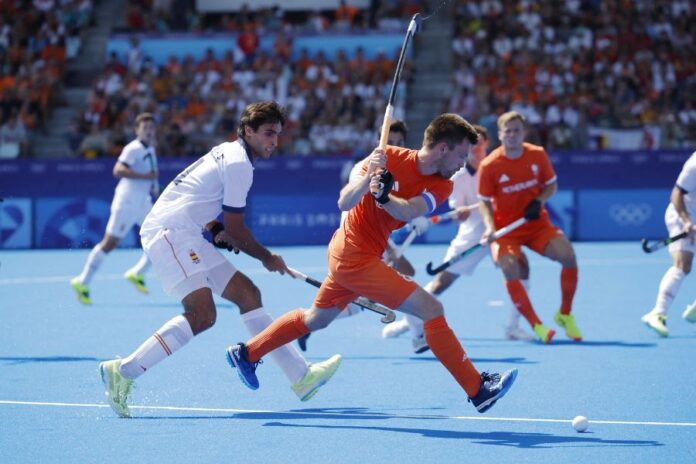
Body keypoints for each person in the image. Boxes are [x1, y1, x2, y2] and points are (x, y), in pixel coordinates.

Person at [227, 113, 518, 414]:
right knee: (432, 309)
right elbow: (344, 202)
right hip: (354, 255)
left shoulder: (444, 185)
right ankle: (477, 389)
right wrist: (368, 180)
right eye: (461, 155)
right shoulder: (387, 156)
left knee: (316, 319)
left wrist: (385, 197)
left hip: (358, 257)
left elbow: (409, 211)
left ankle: (246, 353)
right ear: (443, 149)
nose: (463, 163)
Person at [98, 102, 341, 418]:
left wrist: (215, 230)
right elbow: (238, 229)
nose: (274, 142)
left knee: (248, 294)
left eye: (278, 135)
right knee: (202, 314)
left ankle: (301, 377)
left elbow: (197, 202)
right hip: (170, 233)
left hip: (186, 230)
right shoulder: (240, 163)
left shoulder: (229, 152)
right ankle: (124, 371)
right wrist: (268, 257)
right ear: (248, 131)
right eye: (268, 133)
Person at [382, 125, 534, 352]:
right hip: (473, 235)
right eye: (473, 145)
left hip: (499, 233)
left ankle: (512, 327)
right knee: (442, 282)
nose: (477, 148)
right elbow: (459, 211)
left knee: (521, 269)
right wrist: (462, 211)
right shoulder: (459, 173)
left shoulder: (496, 166)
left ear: (487, 144)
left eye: (481, 143)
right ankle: (411, 320)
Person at [297, 120, 415, 352]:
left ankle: (307, 324)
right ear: (378, 142)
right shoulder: (363, 168)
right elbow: (351, 206)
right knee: (407, 284)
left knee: (368, 294)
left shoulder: (400, 169)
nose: (395, 147)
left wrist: (415, 212)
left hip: (376, 241)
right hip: (356, 243)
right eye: (389, 142)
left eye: (399, 143)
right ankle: (420, 334)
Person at [477, 111, 581, 344]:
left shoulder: (537, 154)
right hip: (506, 232)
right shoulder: (490, 164)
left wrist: (538, 201)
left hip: (536, 225)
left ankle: (564, 314)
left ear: (524, 133)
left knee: (568, 256)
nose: (512, 135)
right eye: (508, 131)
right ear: (500, 135)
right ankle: (537, 326)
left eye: (517, 131)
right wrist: (489, 227)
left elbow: (551, 186)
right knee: (510, 267)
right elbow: (484, 202)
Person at [70, 113, 159, 304]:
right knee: (110, 243)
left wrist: (155, 189)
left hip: (143, 202)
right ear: (137, 130)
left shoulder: (150, 148)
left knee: (160, 236)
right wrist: (145, 178)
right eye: (145, 128)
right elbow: (117, 170)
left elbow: (152, 176)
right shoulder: (132, 148)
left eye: (151, 127)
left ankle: (137, 273)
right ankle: (82, 281)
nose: (149, 130)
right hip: (126, 203)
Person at [642, 151, 696, 336]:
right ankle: (657, 313)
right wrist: (687, 221)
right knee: (683, 265)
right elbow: (676, 194)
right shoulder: (694, 164)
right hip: (682, 214)